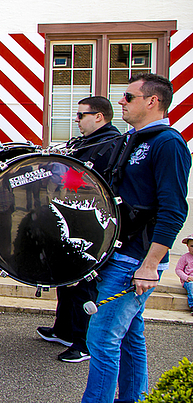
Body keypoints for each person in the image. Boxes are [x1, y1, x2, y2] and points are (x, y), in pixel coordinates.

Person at [82, 74, 191, 403]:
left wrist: (150, 265)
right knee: (129, 336)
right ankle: (133, 398)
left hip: (136, 260)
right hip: (121, 252)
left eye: (128, 97)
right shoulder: (134, 139)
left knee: (102, 339)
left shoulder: (167, 143)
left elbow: (173, 210)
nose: (121, 102)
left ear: (152, 101)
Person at [35, 96, 121, 363]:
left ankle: (83, 343)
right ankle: (64, 330)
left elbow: (90, 181)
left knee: (84, 283)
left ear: (99, 117)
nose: (76, 120)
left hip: (91, 222)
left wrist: (62, 174)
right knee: (67, 278)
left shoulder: (110, 143)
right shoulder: (89, 142)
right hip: (75, 214)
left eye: (81, 115)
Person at [176, 236, 193, 315]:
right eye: (192, 246)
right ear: (188, 246)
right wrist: (186, 277)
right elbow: (178, 270)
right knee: (191, 287)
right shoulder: (185, 257)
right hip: (188, 280)